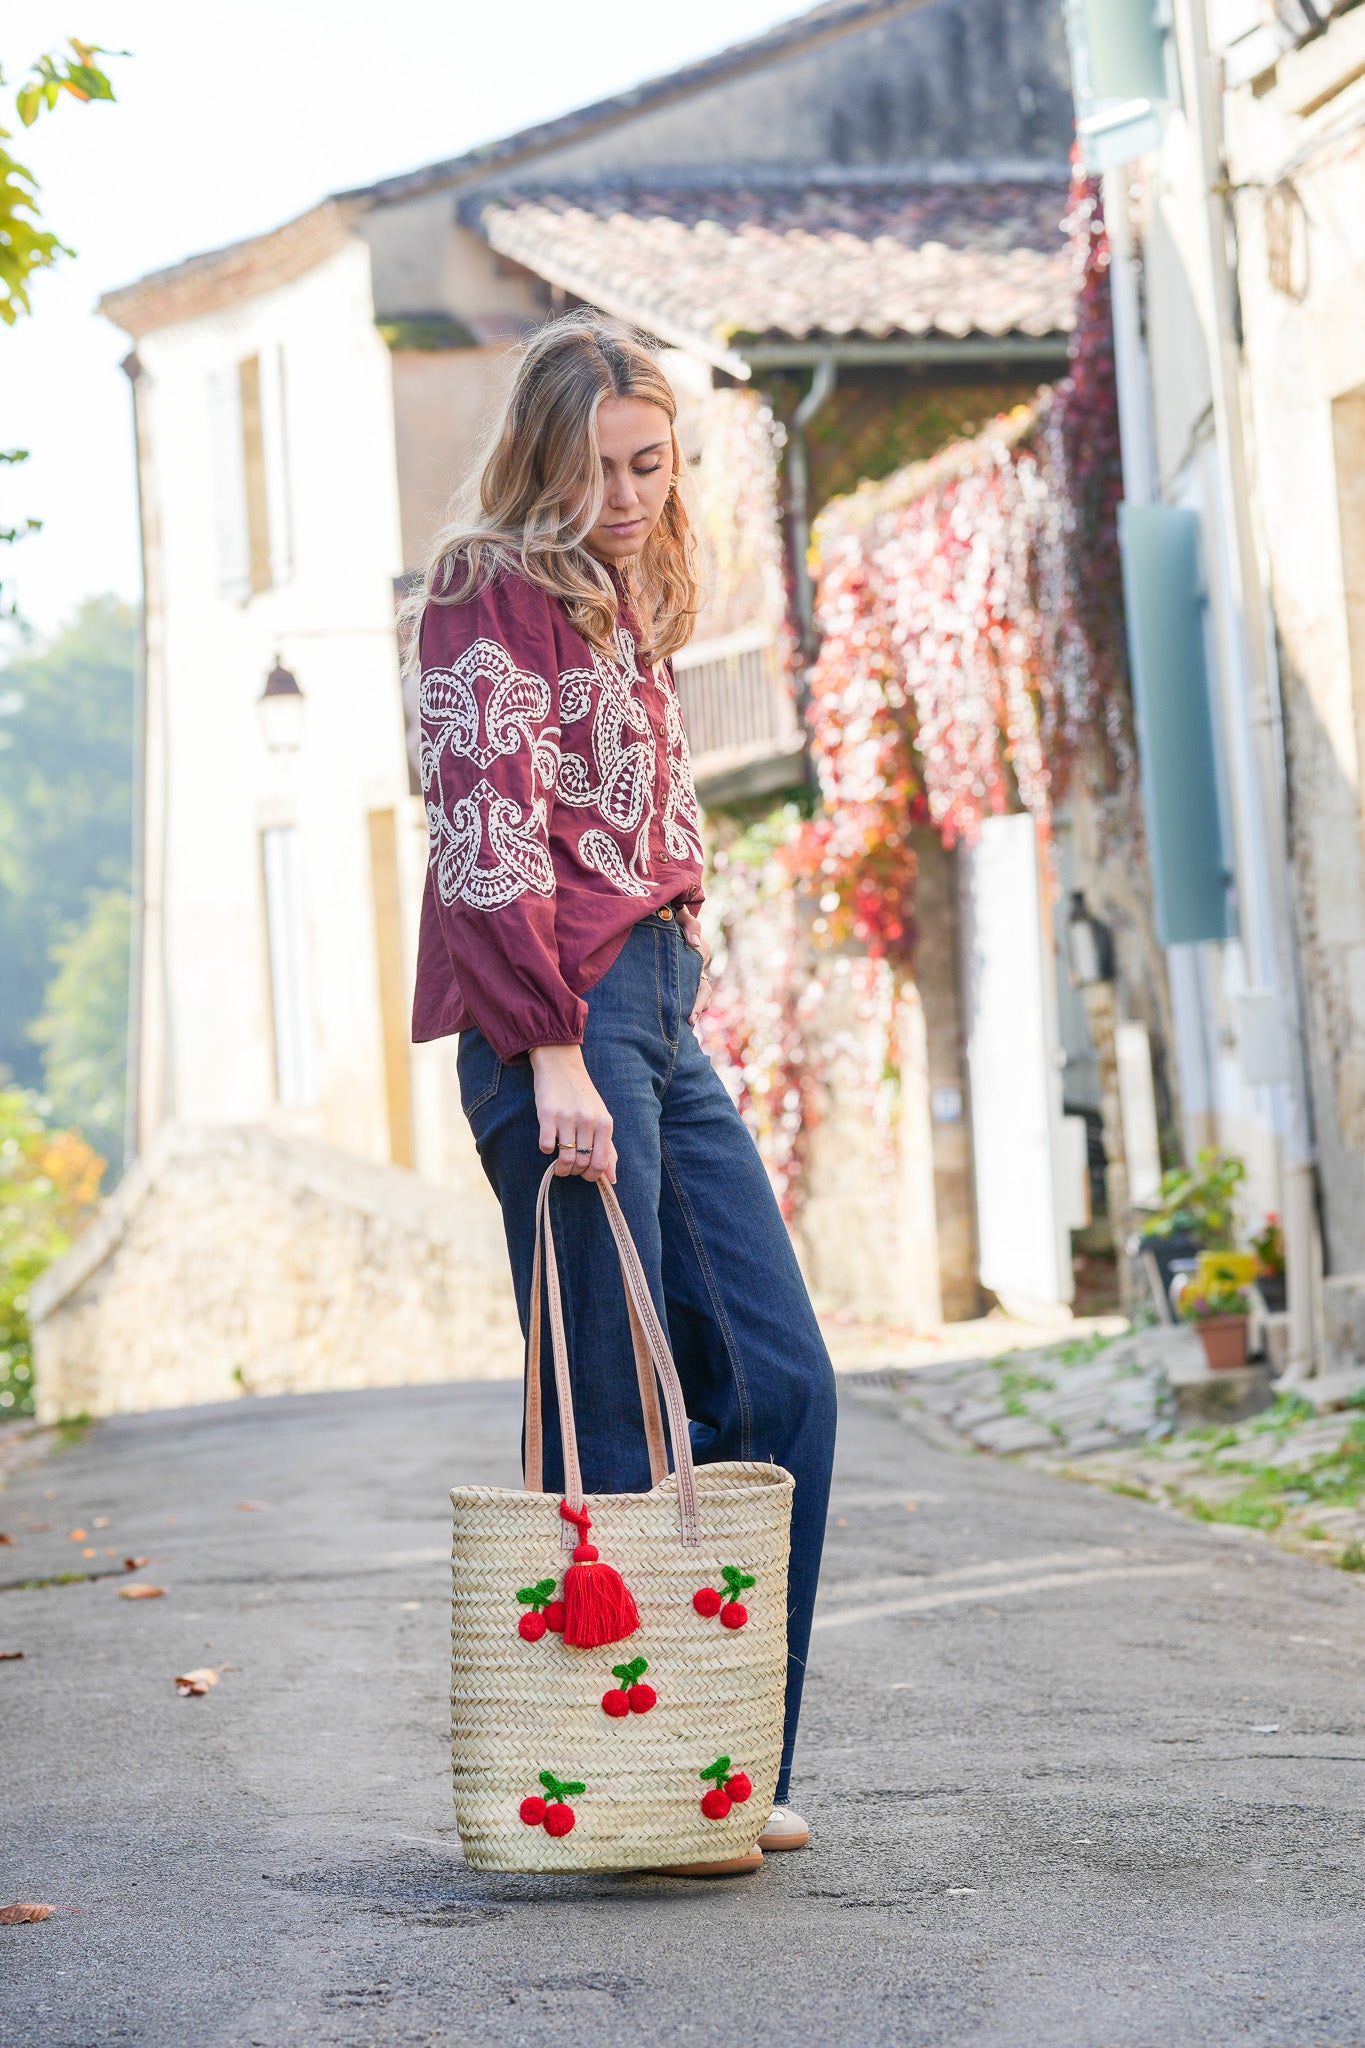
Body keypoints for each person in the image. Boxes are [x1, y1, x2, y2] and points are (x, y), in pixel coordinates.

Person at [406, 311, 837, 1872]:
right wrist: (546, 1046)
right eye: (598, 471)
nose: (630, 496)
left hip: (657, 1004)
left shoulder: (622, 600)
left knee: (780, 1386)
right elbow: (482, 828)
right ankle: (630, 1788)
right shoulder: (487, 590)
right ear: (541, 462)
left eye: (652, 465)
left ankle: (724, 1766)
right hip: (563, 1017)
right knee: (611, 1408)